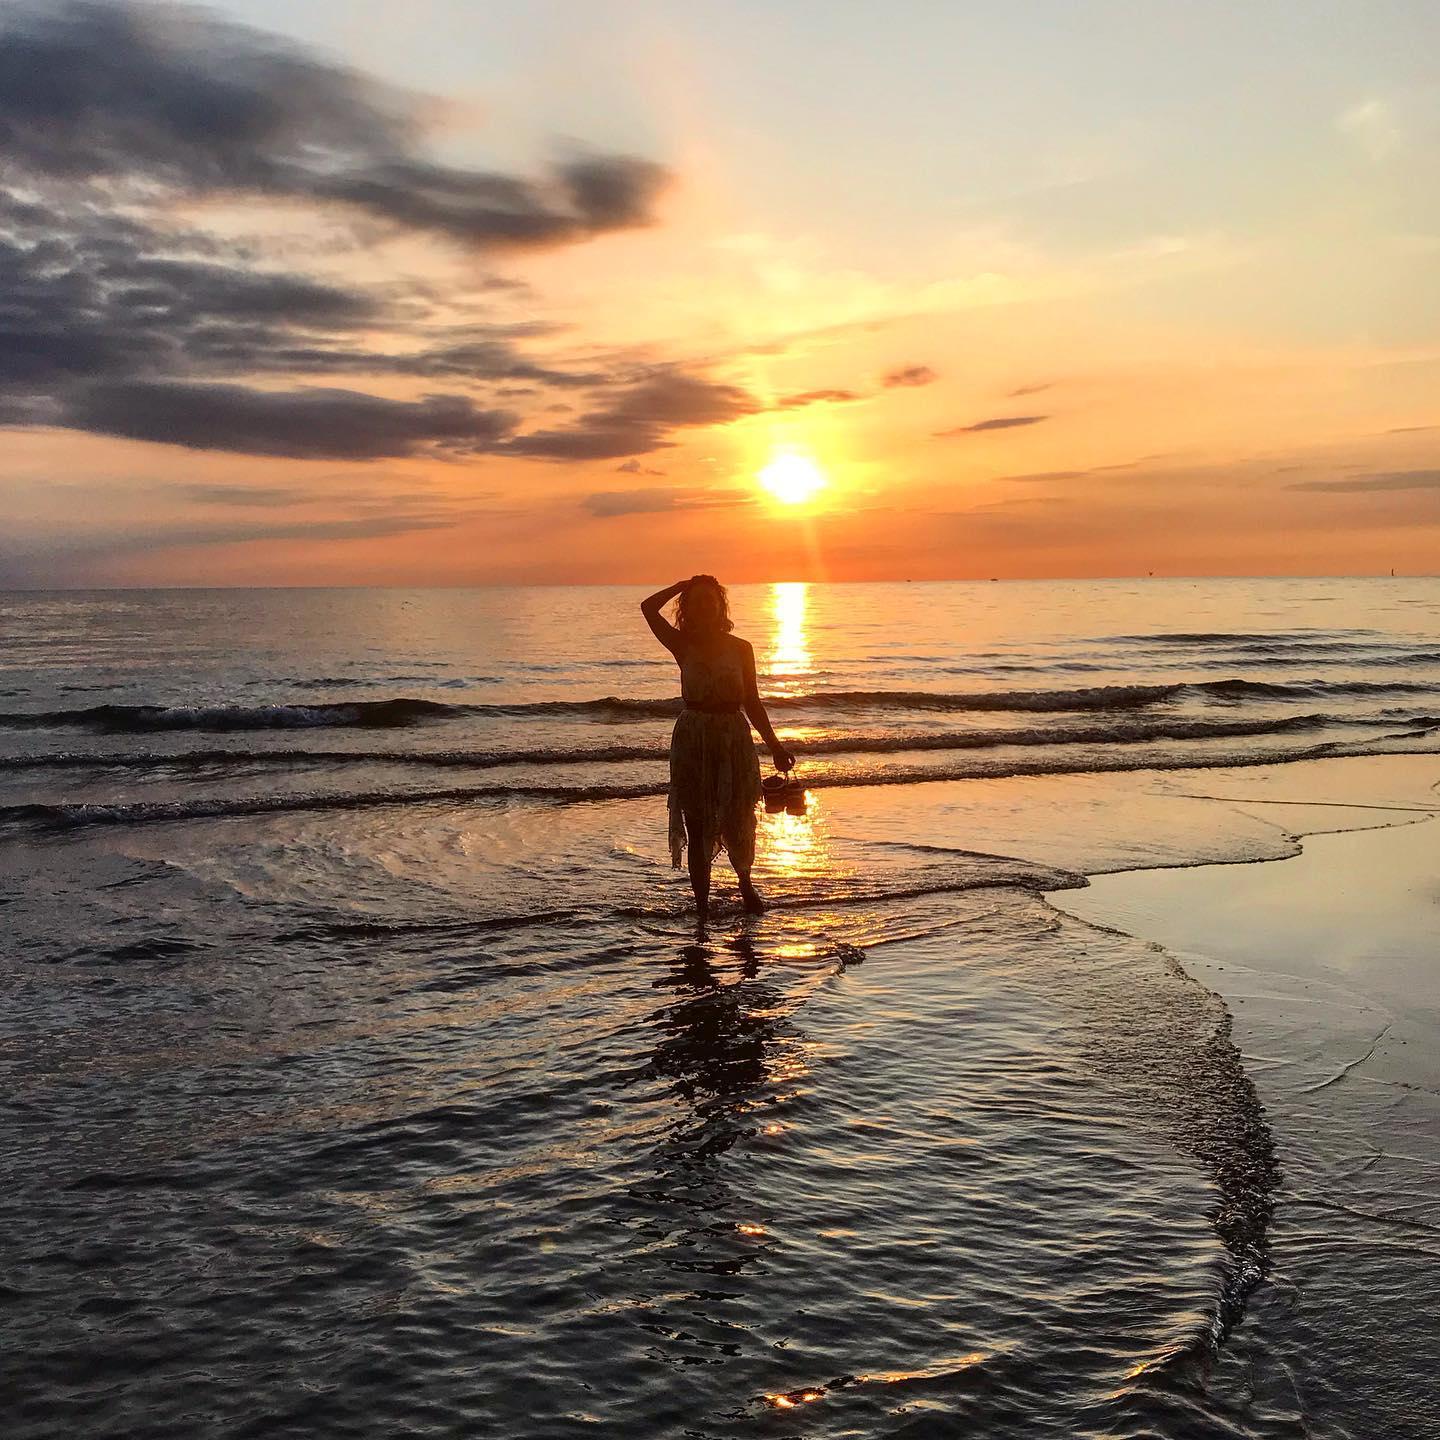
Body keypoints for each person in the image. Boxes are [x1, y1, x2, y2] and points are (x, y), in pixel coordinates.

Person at [640, 576, 795, 931]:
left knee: (739, 817)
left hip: (733, 737)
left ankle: (745, 882)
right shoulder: (681, 644)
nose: (704, 606)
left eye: (711, 600)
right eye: (696, 601)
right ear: (687, 608)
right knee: (697, 824)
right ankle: (702, 908)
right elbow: (648, 608)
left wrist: (774, 745)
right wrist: (680, 585)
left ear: (720, 606)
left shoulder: (741, 648)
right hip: (693, 739)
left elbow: (752, 701)